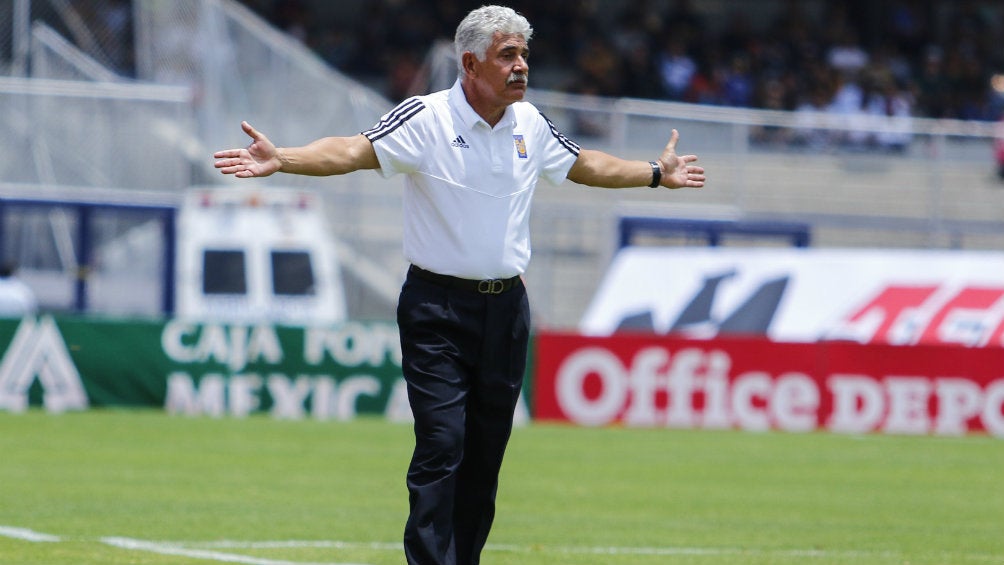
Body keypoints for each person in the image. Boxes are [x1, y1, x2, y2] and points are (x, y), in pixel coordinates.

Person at [213, 6, 705, 564]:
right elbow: (353, 150)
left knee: (485, 456)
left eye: (523, 55)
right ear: (469, 63)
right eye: (507, 56)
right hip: (436, 309)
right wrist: (285, 158)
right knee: (442, 443)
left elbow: (585, 164)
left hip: (507, 310)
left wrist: (655, 173)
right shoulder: (425, 118)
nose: (521, 67)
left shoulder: (531, 123)